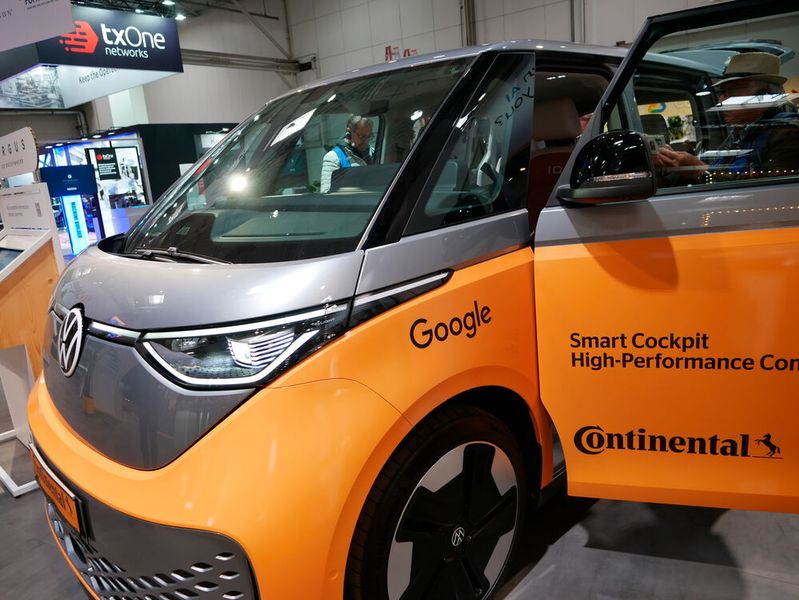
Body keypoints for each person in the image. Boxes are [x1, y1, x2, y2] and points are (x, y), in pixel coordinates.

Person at [653, 52, 799, 181]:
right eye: (721, 93)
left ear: (764, 95)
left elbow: (771, 192)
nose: (721, 101)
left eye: (732, 92)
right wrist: (671, 166)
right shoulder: (737, 136)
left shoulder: (788, 133)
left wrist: (699, 170)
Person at [320, 115, 374, 192]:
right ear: (349, 132)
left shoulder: (374, 153)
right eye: (362, 136)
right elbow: (326, 193)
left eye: (369, 136)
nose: (366, 141)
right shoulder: (333, 157)